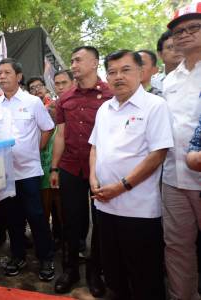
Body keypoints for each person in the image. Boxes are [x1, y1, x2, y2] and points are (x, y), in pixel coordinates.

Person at [89, 49, 173, 299]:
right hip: (104, 206)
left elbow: (157, 154)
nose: (118, 77)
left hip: (138, 209)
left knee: (144, 275)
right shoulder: (104, 108)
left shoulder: (155, 106)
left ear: (140, 72)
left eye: (125, 70)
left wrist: (122, 186)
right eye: (112, 72)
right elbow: (95, 147)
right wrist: (93, 180)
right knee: (114, 272)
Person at [0, 58, 55, 281]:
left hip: (29, 172)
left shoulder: (32, 102)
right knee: (12, 218)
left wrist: (35, 149)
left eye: (7, 72)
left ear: (18, 76)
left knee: (36, 216)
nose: (2, 76)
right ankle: (18, 256)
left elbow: (48, 128)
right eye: (0, 73)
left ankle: (46, 258)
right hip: (5, 174)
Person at [50, 46, 111, 296]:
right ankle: (70, 269)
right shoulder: (65, 98)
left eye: (79, 60)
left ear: (95, 62)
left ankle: (95, 272)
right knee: (71, 221)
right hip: (71, 167)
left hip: (103, 169)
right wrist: (54, 167)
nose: (73, 64)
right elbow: (61, 134)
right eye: (72, 60)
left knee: (100, 222)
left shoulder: (111, 94)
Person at [162, 3, 201, 299]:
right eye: (179, 31)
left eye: (193, 28)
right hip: (173, 178)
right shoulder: (169, 81)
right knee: (176, 246)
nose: (185, 35)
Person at [27, 76, 63, 247]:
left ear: (46, 89)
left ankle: (61, 239)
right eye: (32, 88)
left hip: (56, 165)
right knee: (42, 208)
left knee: (60, 208)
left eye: (39, 86)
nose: (37, 90)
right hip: (38, 166)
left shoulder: (55, 107)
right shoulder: (27, 110)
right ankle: (44, 241)